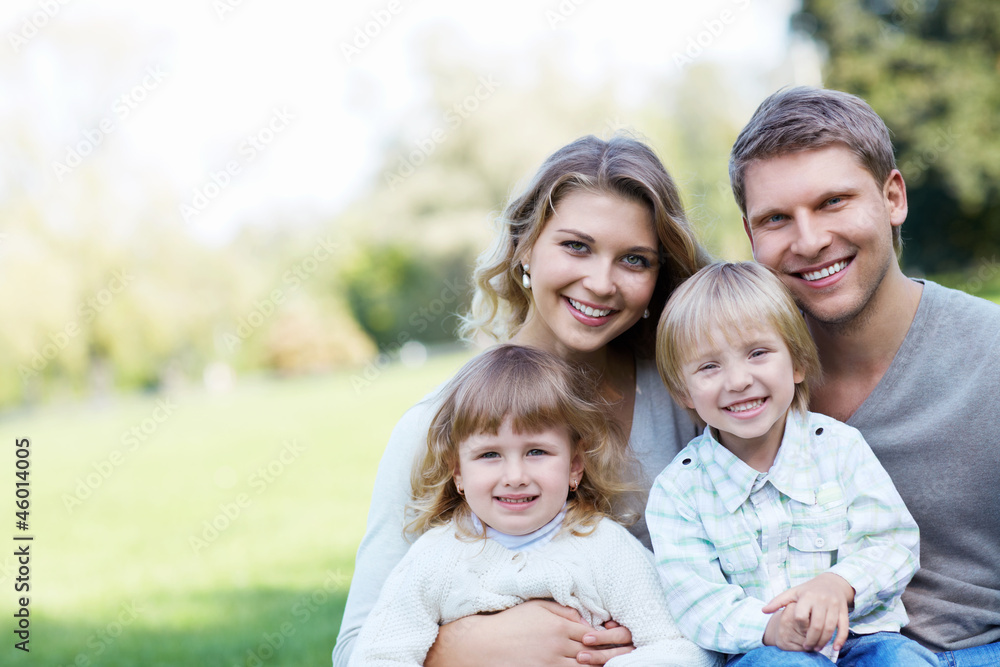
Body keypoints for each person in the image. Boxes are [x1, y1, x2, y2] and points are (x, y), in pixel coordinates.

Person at [333, 134, 711, 667]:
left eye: (634, 259)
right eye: (576, 246)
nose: (601, 282)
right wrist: (468, 647)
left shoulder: (690, 401)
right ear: (525, 247)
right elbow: (357, 650)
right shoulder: (438, 424)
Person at [729, 86, 1000, 665]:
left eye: (833, 202)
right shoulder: (730, 379)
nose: (809, 240)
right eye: (776, 218)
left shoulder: (990, 353)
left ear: (893, 196)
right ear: (751, 237)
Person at [348, 345, 721, 667]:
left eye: (537, 452)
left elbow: (685, 646)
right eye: (490, 454)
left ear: (575, 465)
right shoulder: (433, 561)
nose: (515, 475)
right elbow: (378, 655)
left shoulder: (606, 550)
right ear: (457, 472)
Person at [647, 261, 936, 666]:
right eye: (709, 366)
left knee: (904, 661)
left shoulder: (839, 448)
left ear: (797, 363)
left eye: (758, 353)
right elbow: (695, 599)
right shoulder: (678, 490)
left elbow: (892, 542)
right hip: (766, 650)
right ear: (684, 391)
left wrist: (840, 584)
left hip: (862, 636)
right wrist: (769, 627)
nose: (738, 380)